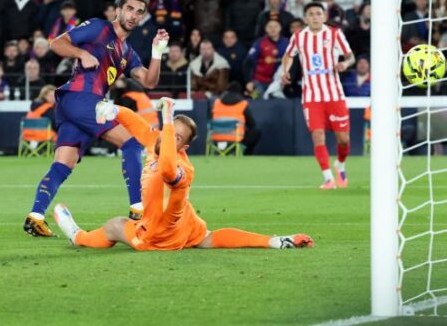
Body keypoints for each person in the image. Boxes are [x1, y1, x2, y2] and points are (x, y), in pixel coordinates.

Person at [53, 98, 313, 251]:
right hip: (184, 225)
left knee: (114, 226)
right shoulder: (156, 140)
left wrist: (168, 122)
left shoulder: (182, 168)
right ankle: (275, 242)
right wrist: (113, 109)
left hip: (158, 236)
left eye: (177, 137)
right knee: (209, 237)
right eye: (170, 130)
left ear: (183, 147)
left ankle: (77, 236)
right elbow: (137, 123)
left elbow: (166, 167)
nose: (169, 136)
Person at [23, 0, 169, 237]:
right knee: (132, 144)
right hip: (81, 98)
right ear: (118, 10)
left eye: (139, 12)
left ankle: (35, 217)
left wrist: (157, 52)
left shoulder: (127, 52)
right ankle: (138, 209)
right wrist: (82, 54)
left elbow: (149, 81)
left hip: (75, 105)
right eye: (129, 9)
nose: (133, 15)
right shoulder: (99, 27)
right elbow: (56, 43)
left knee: (64, 163)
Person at [281, 1, 354, 189]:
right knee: (317, 134)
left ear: (324, 16)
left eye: (318, 13)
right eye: (311, 14)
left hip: (334, 95)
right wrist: (286, 70)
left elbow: (350, 56)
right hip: (311, 96)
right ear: (305, 18)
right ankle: (328, 178)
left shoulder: (335, 34)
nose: (315, 17)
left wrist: (344, 64)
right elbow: (288, 55)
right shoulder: (299, 36)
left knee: (343, 139)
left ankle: (340, 165)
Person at [212, 82, 262, 155]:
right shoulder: (242, 104)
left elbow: (212, 119)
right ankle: (247, 156)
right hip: (235, 138)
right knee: (256, 132)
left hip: (216, 137)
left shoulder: (216, 103)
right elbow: (252, 124)